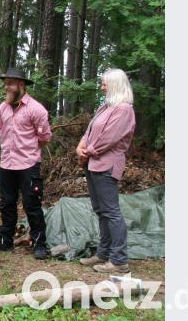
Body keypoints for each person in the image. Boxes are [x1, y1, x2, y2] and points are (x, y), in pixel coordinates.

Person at [76, 69, 136, 273]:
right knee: (101, 210)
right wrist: (81, 146)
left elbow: (109, 138)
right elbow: (89, 131)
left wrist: (87, 152)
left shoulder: (124, 109)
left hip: (107, 164)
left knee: (111, 212)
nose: (101, 86)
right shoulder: (105, 107)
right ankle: (103, 253)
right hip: (93, 163)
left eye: (104, 83)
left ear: (116, 85)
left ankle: (119, 261)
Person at [0, 68, 52, 260]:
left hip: (28, 164)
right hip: (7, 164)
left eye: (10, 83)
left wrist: (29, 150)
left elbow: (44, 137)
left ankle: (40, 243)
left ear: (21, 84)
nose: (6, 86)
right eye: (6, 82)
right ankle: (5, 241)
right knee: (6, 203)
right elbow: (0, 131)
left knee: (32, 204)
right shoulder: (3, 108)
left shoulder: (36, 109)